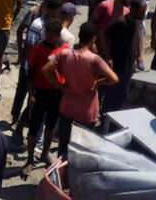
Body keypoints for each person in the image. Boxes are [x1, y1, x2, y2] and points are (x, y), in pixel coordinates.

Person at [40, 22, 118, 158]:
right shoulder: (94, 59)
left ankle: (60, 170)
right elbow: (114, 79)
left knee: (63, 149)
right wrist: (97, 83)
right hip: (86, 112)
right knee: (81, 153)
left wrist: (59, 86)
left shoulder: (64, 54)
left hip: (67, 107)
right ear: (93, 39)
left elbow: (45, 70)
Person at [21, 19, 68, 176]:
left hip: (56, 93)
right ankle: (30, 159)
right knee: (34, 127)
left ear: (58, 34)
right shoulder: (38, 49)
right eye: (46, 33)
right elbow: (30, 73)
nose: (48, 36)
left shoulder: (64, 49)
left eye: (51, 34)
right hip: (39, 92)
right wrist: (31, 94)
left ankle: (45, 153)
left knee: (51, 126)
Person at [98, 0, 147, 112]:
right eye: (142, 11)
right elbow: (103, 35)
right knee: (112, 94)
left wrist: (139, 55)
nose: (143, 14)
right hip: (118, 64)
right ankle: (106, 116)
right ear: (133, 9)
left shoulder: (136, 22)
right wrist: (107, 57)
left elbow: (138, 36)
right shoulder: (120, 22)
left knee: (124, 93)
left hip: (129, 65)